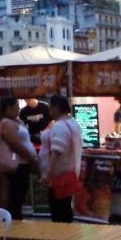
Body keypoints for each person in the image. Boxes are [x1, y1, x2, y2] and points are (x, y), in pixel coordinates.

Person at [0, 96, 37, 220]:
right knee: (15, 198)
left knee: (18, 197)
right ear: (9, 108)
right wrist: (32, 158)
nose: (19, 107)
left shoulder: (16, 121)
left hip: (23, 164)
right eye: (16, 105)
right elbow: (16, 145)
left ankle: (16, 221)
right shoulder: (6, 123)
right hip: (17, 165)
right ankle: (14, 225)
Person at [41, 95, 82, 223]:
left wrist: (47, 174)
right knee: (65, 210)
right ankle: (67, 239)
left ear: (57, 108)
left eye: (51, 108)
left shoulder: (60, 126)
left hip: (59, 178)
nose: (50, 111)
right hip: (69, 175)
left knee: (59, 214)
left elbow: (56, 152)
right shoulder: (73, 123)